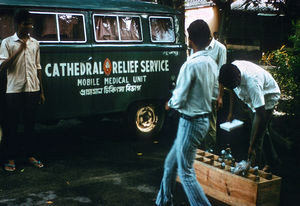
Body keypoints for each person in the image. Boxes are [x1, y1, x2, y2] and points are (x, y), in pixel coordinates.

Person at [155, 20, 218, 206]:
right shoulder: (211, 63)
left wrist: (169, 103)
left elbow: (180, 96)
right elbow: (214, 94)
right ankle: (163, 201)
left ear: (190, 39)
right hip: (200, 120)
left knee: (185, 172)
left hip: (191, 121)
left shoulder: (190, 65)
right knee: (170, 163)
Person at [0, 9, 45, 172]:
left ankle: (30, 155)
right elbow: (3, 66)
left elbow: (38, 67)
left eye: (31, 24)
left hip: (32, 89)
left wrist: (41, 91)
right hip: (13, 90)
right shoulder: (7, 43)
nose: (30, 27)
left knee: (30, 125)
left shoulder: (35, 43)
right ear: (20, 24)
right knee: (11, 126)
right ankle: (10, 158)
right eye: (27, 24)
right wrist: (18, 51)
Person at [218, 60, 281, 172]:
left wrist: (252, 145)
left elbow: (260, 113)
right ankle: (273, 160)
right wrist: (231, 113)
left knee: (258, 134)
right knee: (262, 131)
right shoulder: (230, 71)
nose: (233, 88)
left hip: (268, 96)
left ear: (238, 77)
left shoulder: (253, 83)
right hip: (254, 99)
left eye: (234, 85)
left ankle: (255, 168)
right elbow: (232, 90)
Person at [201, 29, 227, 152]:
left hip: (212, 92)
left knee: (210, 125)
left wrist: (220, 96)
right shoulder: (198, 46)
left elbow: (222, 73)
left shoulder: (220, 49)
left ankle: (209, 152)